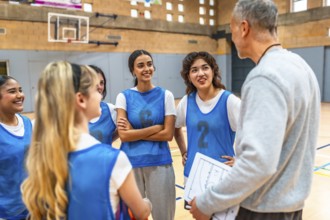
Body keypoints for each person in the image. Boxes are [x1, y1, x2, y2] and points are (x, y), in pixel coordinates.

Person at [189, 0, 321, 219]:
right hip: (291, 207)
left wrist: (207, 202)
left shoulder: (264, 76)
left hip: (263, 210)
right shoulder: (301, 67)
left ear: (244, 28)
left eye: (231, 31)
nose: (232, 38)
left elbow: (257, 162)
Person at [21, 61, 151, 220]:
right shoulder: (112, 159)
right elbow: (142, 212)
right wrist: (146, 204)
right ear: (81, 99)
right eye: (95, 89)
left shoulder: (43, 156)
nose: (99, 93)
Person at [174, 51, 240, 208]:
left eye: (205, 68)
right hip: (193, 175)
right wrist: (184, 152)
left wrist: (242, 160)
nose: (200, 73)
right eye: (194, 70)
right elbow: (176, 128)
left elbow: (254, 132)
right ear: (188, 76)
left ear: (213, 71)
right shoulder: (186, 101)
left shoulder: (229, 101)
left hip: (222, 175)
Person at [116, 49, 176, 220]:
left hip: (160, 162)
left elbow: (168, 135)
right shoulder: (124, 96)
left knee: (164, 216)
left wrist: (134, 132)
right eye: (140, 65)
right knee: (133, 217)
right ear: (133, 70)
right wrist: (155, 128)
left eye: (149, 64)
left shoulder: (166, 95)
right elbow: (124, 136)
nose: (146, 69)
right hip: (130, 164)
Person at [0, 75, 32, 220]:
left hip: (32, 207)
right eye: (12, 91)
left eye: (20, 90)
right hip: (6, 213)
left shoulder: (27, 123)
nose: (20, 95)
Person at [88, 65, 118, 144]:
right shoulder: (73, 112)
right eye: (95, 83)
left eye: (102, 83)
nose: (100, 87)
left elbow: (125, 129)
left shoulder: (110, 109)